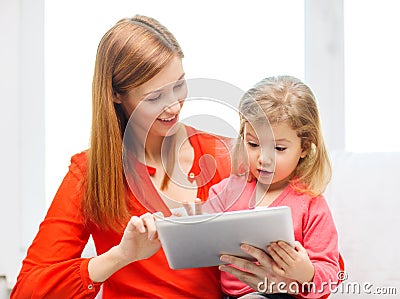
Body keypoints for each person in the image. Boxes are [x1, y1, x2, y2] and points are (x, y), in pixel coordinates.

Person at [10, 15, 232, 299]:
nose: (175, 105)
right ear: (117, 95)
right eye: (154, 98)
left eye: (179, 85)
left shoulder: (222, 155)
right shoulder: (90, 173)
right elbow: (27, 290)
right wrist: (120, 256)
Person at [201, 76, 343, 299]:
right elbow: (199, 236)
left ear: (304, 147)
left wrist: (306, 273)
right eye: (253, 144)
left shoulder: (311, 203)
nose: (263, 159)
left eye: (278, 148)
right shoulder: (226, 192)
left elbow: (330, 275)